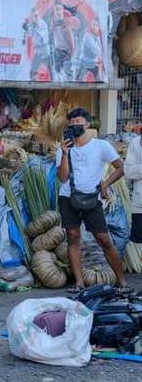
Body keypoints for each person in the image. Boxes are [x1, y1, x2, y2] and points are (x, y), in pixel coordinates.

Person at [55, 107, 128, 293]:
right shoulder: (64, 147)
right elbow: (62, 178)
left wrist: (105, 183)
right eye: (71, 123)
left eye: (78, 122)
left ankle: (122, 282)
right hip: (68, 196)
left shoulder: (101, 146)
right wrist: (64, 153)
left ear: (87, 124)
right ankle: (79, 283)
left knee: (103, 238)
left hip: (91, 198)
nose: (75, 126)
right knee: (73, 237)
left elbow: (120, 167)